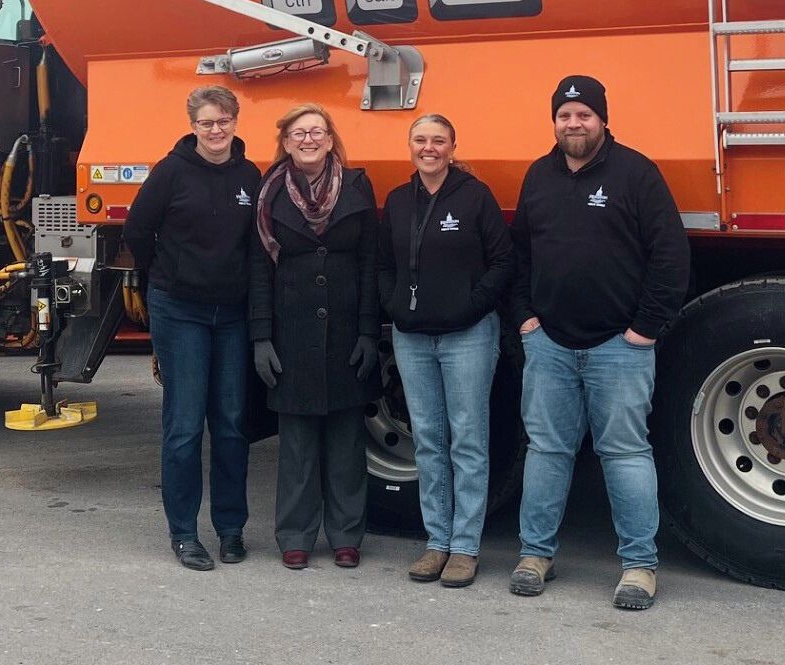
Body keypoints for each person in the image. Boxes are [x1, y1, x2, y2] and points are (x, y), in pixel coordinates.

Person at [507, 75, 690, 610]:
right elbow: (519, 256)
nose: (574, 123)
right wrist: (524, 319)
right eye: (564, 115)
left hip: (620, 346)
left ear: (603, 119)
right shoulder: (539, 176)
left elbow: (669, 256)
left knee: (625, 452)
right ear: (554, 122)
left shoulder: (636, 173)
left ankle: (638, 566)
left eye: (584, 114)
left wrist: (644, 330)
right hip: (550, 346)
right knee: (546, 451)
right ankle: (535, 554)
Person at [123, 86, 263, 571]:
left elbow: (255, 245)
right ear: (193, 125)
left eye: (223, 120)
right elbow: (137, 230)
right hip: (179, 310)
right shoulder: (171, 173)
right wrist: (164, 274)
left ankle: (230, 529)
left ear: (235, 121)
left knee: (230, 425)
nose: (216, 130)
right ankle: (184, 533)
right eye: (206, 122)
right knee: (183, 426)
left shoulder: (250, 176)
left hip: (231, 314)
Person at [378, 114, 513, 588]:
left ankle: (465, 548)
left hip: (467, 337)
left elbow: (503, 262)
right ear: (410, 146)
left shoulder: (475, 197)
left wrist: (470, 307)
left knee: (468, 442)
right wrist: (393, 304)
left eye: (438, 141)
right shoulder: (397, 201)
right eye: (421, 140)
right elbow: (382, 265)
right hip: (411, 339)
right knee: (430, 441)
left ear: (453, 147)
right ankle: (436, 542)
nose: (429, 148)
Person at [248, 104, 380, 570]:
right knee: (298, 445)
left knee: (346, 444)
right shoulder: (267, 196)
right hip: (291, 331)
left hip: (346, 330)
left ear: (330, 139)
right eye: (299, 133)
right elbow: (259, 272)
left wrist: (369, 331)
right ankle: (296, 536)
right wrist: (261, 337)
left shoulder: (358, 186)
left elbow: (370, 263)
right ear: (285, 141)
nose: (309, 139)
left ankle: (346, 535)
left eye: (317, 132)